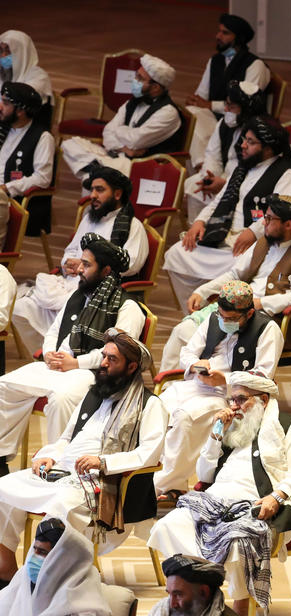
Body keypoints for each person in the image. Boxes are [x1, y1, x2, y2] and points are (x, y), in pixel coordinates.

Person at [0, 329, 166, 582]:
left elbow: (148, 454)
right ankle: (5, 568)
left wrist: (103, 462)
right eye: (104, 356)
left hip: (102, 481)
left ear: (132, 367)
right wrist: (50, 456)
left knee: (63, 503)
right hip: (63, 470)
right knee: (4, 486)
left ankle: (50, 576)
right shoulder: (92, 395)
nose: (104, 363)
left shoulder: (151, 405)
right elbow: (67, 438)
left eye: (113, 360)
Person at [149, 372, 291, 616]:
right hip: (215, 499)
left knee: (238, 545)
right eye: (231, 400)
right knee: (169, 525)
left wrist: (277, 497)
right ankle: (201, 593)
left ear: (263, 399)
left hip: (255, 504)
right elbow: (205, 475)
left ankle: (240, 615)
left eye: (240, 400)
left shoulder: (289, 427)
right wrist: (216, 435)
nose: (233, 407)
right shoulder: (231, 428)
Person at [0, 235, 143, 471]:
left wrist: (75, 363)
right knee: (4, 385)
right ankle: (1, 458)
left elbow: (117, 354)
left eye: (87, 265)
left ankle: (58, 465)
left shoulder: (128, 307)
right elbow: (53, 331)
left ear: (106, 270)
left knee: (62, 398)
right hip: (58, 365)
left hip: (91, 372)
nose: (79, 269)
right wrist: (48, 353)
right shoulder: (78, 297)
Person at [161, 194, 291, 374]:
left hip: (262, 318)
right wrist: (203, 291)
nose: (263, 222)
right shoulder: (264, 242)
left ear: (288, 225)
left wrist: (262, 303)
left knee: (196, 341)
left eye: (270, 219)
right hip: (234, 308)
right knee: (181, 331)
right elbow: (235, 274)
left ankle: (192, 389)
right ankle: (167, 389)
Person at [153, 280, 283, 501]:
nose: (224, 322)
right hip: (195, 385)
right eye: (222, 316)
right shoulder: (215, 318)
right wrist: (195, 365)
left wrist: (227, 380)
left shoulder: (268, 329)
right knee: (154, 410)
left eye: (231, 319)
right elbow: (187, 352)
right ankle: (146, 476)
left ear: (249, 313)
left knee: (184, 419)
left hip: (229, 397)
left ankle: (162, 486)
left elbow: (264, 376)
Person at [164, 115, 291, 307]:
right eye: (244, 139)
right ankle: (194, 314)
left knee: (237, 270)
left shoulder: (288, 176)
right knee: (177, 254)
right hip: (222, 236)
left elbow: (283, 215)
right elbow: (219, 201)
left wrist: (253, 232)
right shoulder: (242, 168)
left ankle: (220, 316)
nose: (243, 145)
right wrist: (200, 221)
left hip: (252, 247)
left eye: (251, 142)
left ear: (268, 148)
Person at [13, 166, 148, 354]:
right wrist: (69, 262)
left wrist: (91, 264)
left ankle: (67, 356)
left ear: (117, 194)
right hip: (72, 281)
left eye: (99, 190)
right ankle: (47, 355)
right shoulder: (89, 219)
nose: (92, 195)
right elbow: (71, 250)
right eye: (92, 190)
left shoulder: (133, 227)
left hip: (96, 290)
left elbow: (131, 265)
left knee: (66, 305)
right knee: (20, 309)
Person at [0, 520, 111, 616]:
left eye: (43, 552)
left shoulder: (85, 606)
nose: (34, 558)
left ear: (62, 560)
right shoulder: (25, 580)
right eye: (35, 549)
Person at [62, 54, 183, 179]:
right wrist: (124, 148)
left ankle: (96, 171)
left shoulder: (167, 113)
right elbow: (107, 132)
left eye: (140, 78)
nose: (135, 80)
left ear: (156, 87)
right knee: (69, 144)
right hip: (118, 157)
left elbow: (136, 141)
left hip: (138, 166)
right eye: (136, 75)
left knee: (90, 178)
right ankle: (98, 170)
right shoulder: (133, 102)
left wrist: (119, 130)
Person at [185, 13, 272, 166]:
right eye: (219, 31)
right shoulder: (215, 60)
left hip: (241, 122)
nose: (218, 36)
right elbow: (201, 96)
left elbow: (248, 104)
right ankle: (201, 166)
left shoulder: (255, 65)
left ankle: (204, 167)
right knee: (191, 113)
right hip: (215, 118)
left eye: (225, 33)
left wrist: (210, 105)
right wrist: (195, 101)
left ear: (239, 38)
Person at [181, 80, 267, 222]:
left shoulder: (261, 136)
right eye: (226, 104)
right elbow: (212, 155)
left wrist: (225, 183)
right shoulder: (224, 124)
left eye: (231, 106)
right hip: (222, 178)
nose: (226, 109)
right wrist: (210, 177)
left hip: (246, 189)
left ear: (246, 110)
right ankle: (195, 232)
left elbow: (257, 173)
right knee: (195, 184)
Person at [0, 81, 54, 240]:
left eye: (6, 103)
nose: (0, 106)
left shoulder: (43, 138)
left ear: (21, 111)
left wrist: (7, 188)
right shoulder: (3, 128)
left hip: (9, 199)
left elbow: (42, 178)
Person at [0, 30, 53, 119]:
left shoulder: (39, 76)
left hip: (27, 127)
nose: (3, 55)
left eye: (9, 51)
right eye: (1, 51)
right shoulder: (2, 73)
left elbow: (18, 99)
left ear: (22, 53)